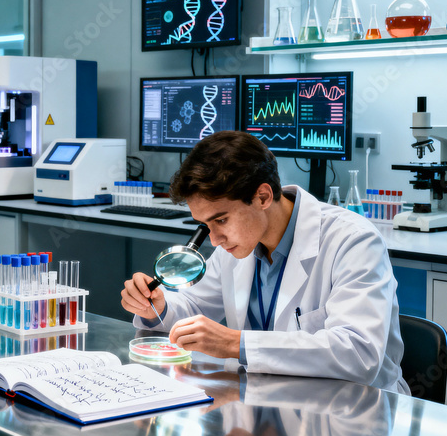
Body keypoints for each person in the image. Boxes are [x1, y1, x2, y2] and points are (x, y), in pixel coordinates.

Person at [120, 131, 408, 393]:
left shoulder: (353, 240)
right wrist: (158, 306)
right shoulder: (238, 243)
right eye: (206, 225)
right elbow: (194, 307)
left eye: (221, 220)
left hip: (352, 414)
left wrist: (235, 343)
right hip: (265, 403)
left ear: (263, 196)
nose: (216, 239)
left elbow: (358, 354)